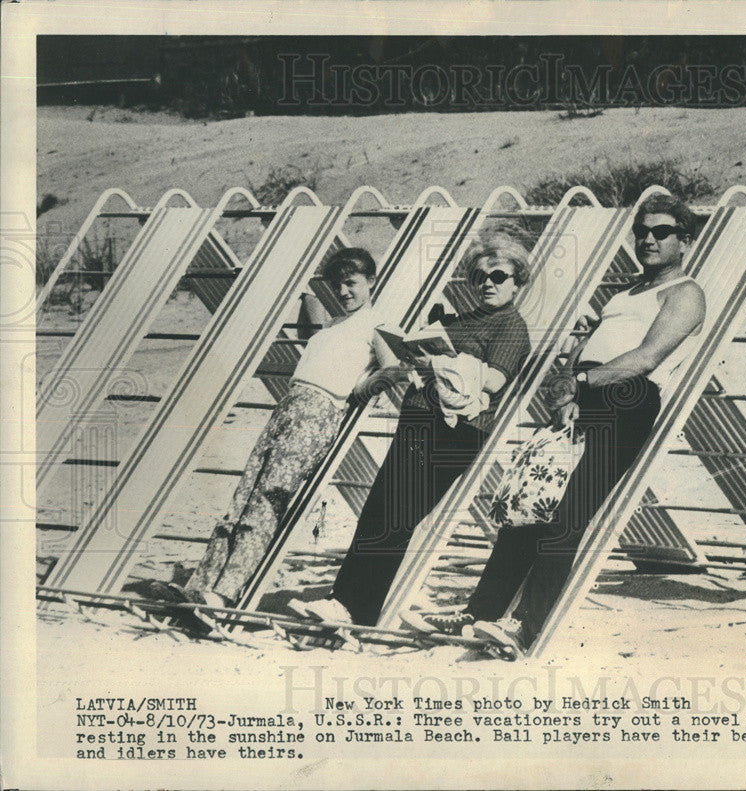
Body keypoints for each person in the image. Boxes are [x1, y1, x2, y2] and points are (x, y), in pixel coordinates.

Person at [402, 194, 707, 654]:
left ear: (683, 241)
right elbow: (578, 350)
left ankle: (524, 624)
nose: (647, 239)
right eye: (642, 231)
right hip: (585, 394)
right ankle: (479, 614)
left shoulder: (685, 293)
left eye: (661, 232)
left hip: (628, 398)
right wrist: (567, 381)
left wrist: (579, 382)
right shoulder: (625, 293)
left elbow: (647, 358)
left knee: (568, 514)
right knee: (528, 505)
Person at [299, 230, 533, 628]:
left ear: (517, 280)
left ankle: (353, 606)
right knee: (378, 510)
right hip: (420, 419)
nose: (488, 284)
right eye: (479, 277)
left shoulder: (510, 325)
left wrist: (438, 362)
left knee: (397, 515)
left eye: (498, 276)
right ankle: (345, 603)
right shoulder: (461, 319)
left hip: (456, 430)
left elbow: (493, 381)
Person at [151, 247, 406, 609]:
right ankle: (199, 585)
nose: (345, 291)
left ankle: (224, 593)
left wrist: (357, 392)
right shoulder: (334, 325)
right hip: (288, 407)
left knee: (268, 499)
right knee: (242, 498)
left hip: (318, 413)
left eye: (352, 283)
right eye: (338, 285)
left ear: (371, 282)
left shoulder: (378, 324)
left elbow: (394, 369)